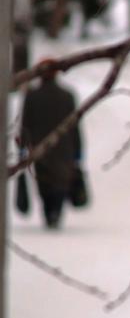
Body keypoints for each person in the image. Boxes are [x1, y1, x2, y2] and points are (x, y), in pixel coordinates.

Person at [20, 60, 84, 229]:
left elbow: (25, 124)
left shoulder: (32, 96)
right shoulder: (67, 95)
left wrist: (22, 147)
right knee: (60, 181)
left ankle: (49, 212)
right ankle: (56, 211)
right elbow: (74, 126)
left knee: (44, 181)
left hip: (40, 147)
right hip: (64, 148)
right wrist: (78, 150)